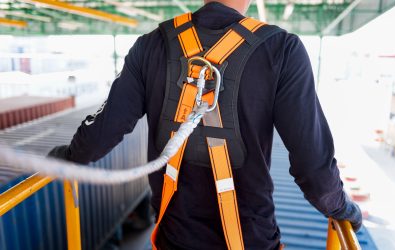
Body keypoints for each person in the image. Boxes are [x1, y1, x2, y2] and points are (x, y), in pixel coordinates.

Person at [48, 1, 362, 249]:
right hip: (251, 239)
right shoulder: (282, 49)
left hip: (173, 239)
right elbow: (315, 169)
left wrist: (69, 155)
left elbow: (103, 131)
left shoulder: (150, 46)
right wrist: (343, 209)